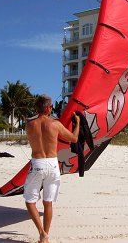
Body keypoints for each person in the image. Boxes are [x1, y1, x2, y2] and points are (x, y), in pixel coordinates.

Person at [23, 95, 80, 243]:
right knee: (48, 202)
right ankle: (45, 236)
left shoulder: (29, 124)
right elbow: (74, 138)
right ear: (49, 108)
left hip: (38, 164)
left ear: (37, 108)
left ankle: (42, 233)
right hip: (53, 165)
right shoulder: (55, 124)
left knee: (30, 201)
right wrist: (77, 123)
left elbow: (31, 121)